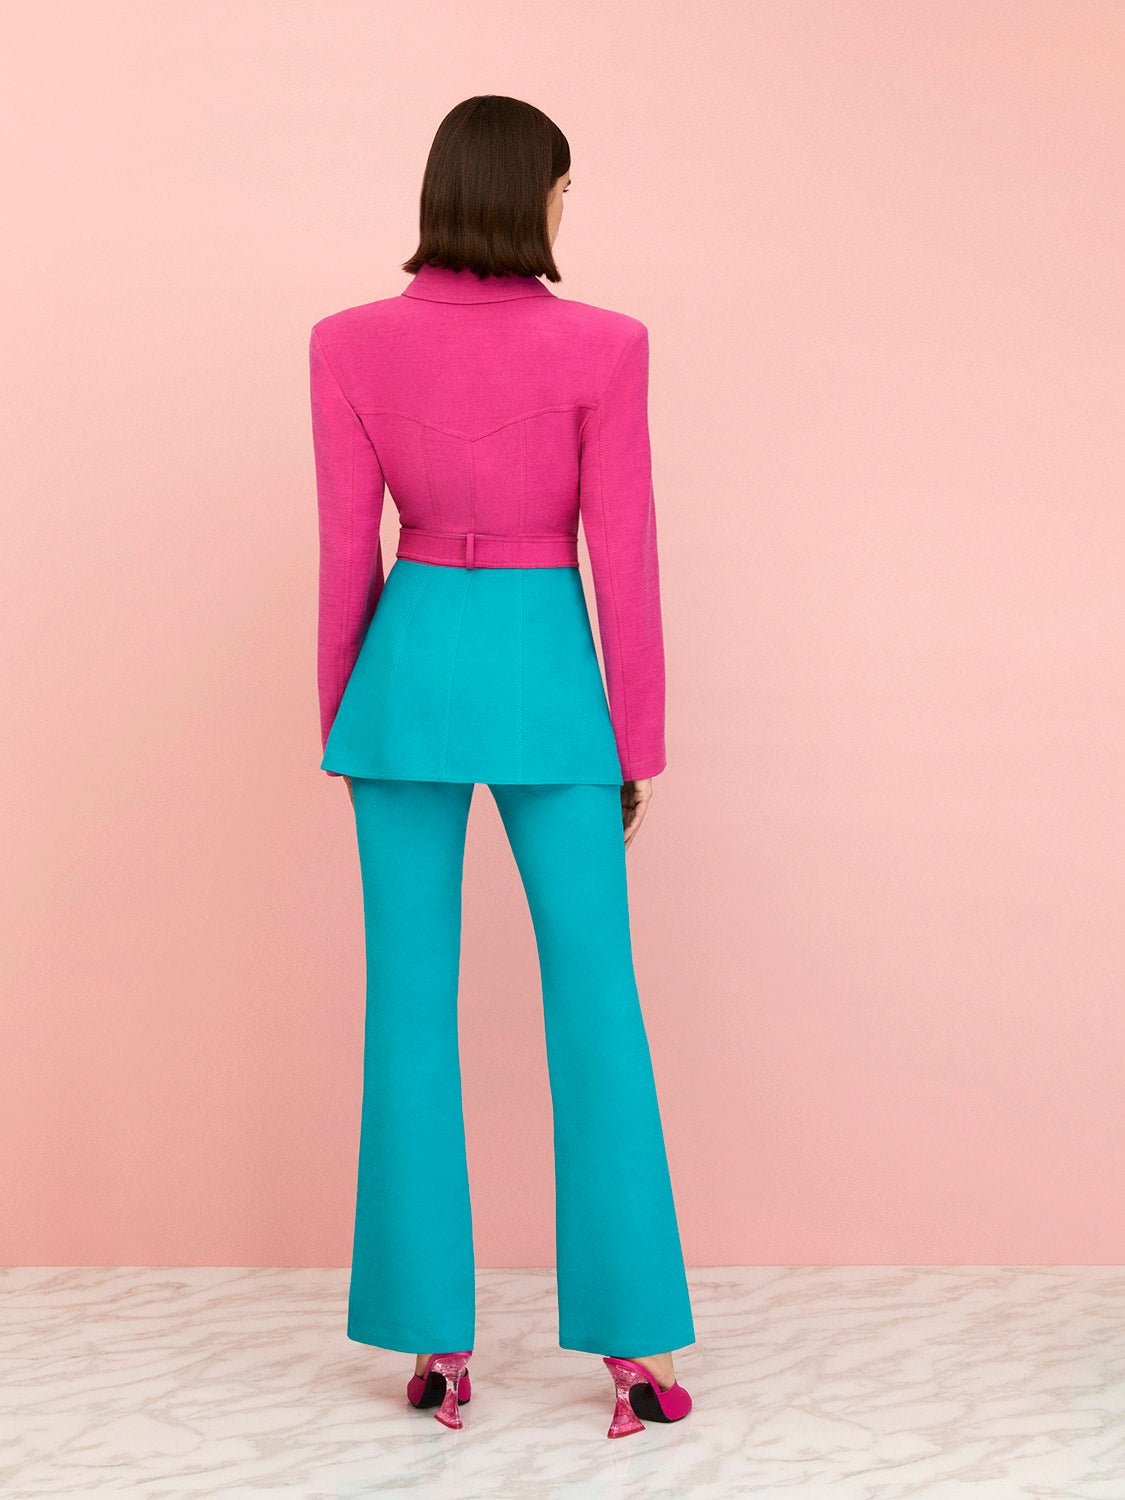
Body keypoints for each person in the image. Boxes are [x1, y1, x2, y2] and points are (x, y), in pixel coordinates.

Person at [309, 94, 695, 1439]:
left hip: (402, 690)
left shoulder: (347, 341)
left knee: (406, 1010)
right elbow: (623, 555)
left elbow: (344, 548)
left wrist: (343, 722)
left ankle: (434, 1346)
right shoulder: (607, 343)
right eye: (564, 189)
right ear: (537, 194)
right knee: (597, 1005)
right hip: (551, 688)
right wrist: (636, 743)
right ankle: (635, 1345)